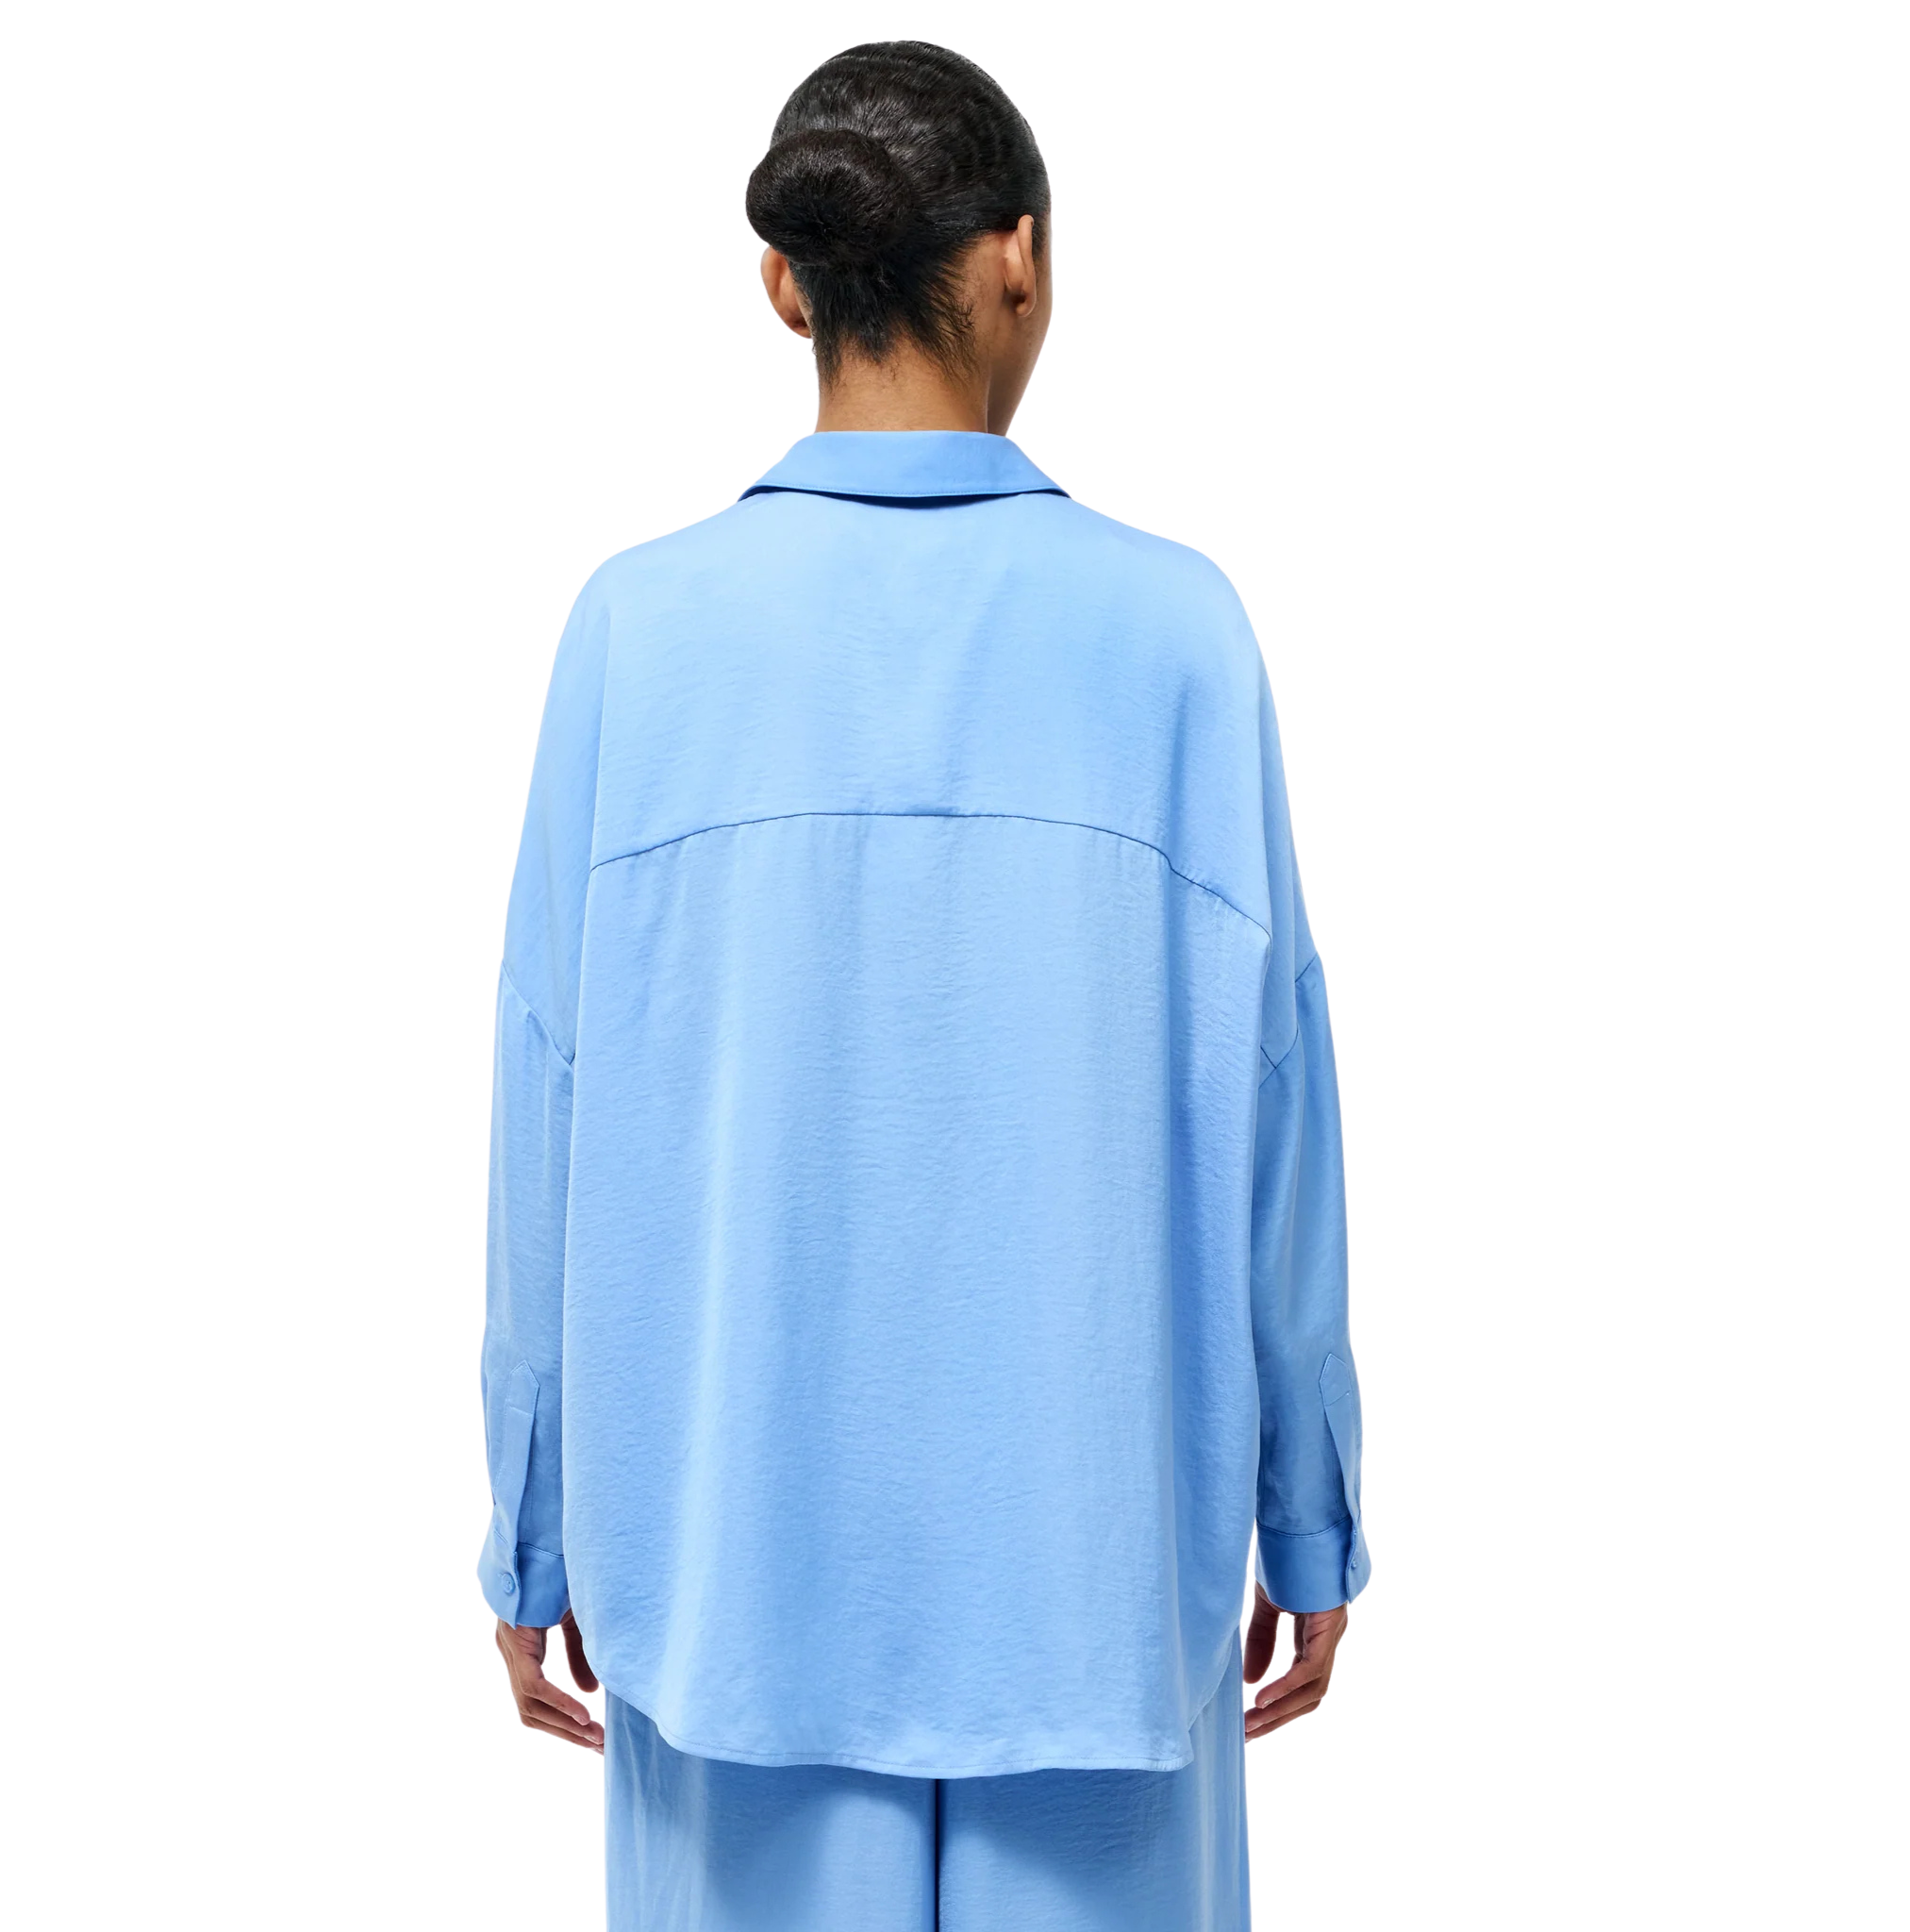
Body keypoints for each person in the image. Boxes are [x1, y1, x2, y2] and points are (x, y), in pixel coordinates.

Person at [477, 40, 1370, 1930]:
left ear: (785, 281)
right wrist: (1308, 1511)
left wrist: (535, 1522)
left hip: (732, 1582)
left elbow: (550, 1095)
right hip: (1097, 1586)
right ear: (1018, 256)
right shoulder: (1178, 633)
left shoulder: (637, 631)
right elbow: (1276, 1107)